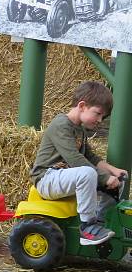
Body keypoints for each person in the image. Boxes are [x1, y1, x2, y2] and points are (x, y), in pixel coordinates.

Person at [30, 81, 126, 246]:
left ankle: (99, 220)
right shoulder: (61, 125)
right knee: (87, 173)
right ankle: (87, 227)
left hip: (64, 177)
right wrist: (103, 178)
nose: (100, 120)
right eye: (98, 114)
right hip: (47, 178)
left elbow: (91, 157)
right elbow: (74, 159)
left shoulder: (79, 129)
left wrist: (113, 170)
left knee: (119, 177)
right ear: (82, 105)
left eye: (102, 117)